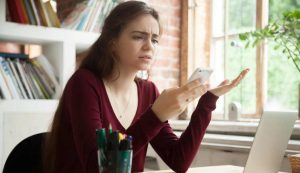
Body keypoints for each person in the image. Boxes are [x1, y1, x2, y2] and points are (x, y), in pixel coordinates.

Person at [42, 1, 249, 173]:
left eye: (155, 40)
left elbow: (178, 160)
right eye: (138, 36)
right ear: (112, 41)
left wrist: (207, 102)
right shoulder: (84, 84)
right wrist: (156, 115)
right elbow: (99, 168)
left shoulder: (148, 91)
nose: (149, 46)